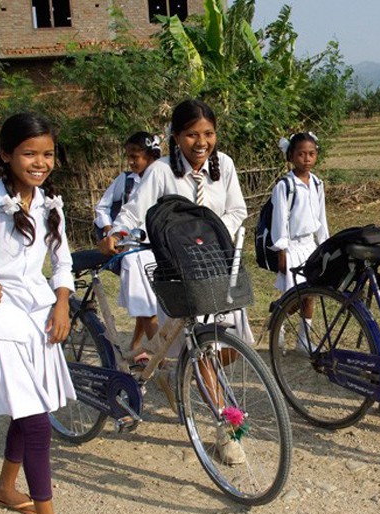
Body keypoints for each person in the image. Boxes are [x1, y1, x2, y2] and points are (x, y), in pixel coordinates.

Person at [99, 99, 251, 464]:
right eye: (192, 135)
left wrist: (210, 231)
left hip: (218, 264)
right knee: (203, 348)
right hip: (178, 272)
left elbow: (238, 210)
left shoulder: (225, 166)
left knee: (237, 344)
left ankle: (174, 371)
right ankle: (225, 431)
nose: (201, 142)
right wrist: (116, 232)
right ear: (176, 136)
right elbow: (135, 210)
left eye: (208, 134)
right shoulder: (161, 171)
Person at [0, 113, 88, 514]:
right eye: (29, 153)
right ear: (6, 154)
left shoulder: (51, 205)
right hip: (0, 322)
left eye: (47, 154)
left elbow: (62, 263)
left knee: (31, 408)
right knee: (34, 419)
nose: (40, 162)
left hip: (39, 320)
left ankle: (6, 487)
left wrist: (62, 302)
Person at [94, 131, 161, 362]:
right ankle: (158, 360)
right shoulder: (125, 181)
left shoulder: (163, 178)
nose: (131, 162)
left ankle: (136, 345)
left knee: (148, 301)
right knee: (146, 303)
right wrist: (109, 231)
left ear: (151, 156)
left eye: (135, 156)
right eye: (129, 156)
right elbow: (102, 207)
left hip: (157, 248)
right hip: (132, 249)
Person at [270, 132, 329, 352]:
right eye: (301, 154)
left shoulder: (317, 183)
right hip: (292, 247)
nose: (307, 159)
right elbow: (280, 220)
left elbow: (321, 218)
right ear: (291, 156)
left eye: (311, 154)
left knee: (310, 294)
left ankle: (304, 339)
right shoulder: (285, 186)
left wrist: (324, 245)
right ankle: (277, 325)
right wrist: (282, 251)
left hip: (310, 246)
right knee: (293, 296)